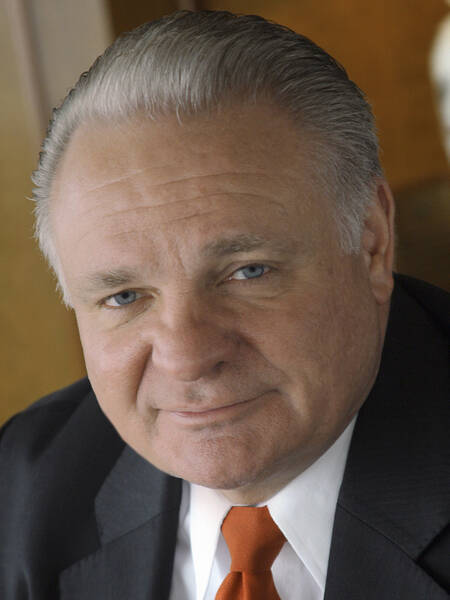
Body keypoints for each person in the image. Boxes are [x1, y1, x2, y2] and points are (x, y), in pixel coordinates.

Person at [0, 10, 448, 600]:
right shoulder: (29, 485)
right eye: (124, 296)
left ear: (371, 243)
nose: (187, 358)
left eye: (246, 272)